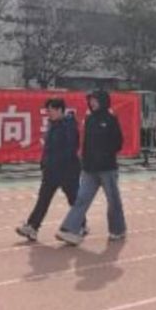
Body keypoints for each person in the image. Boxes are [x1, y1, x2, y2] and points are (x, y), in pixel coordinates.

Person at [57, 90, 126, 246]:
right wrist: (85, 160)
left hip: (107, 168)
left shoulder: (111, 119)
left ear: (103, 101)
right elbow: (86, 143)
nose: (92, 103)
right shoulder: (89, 119)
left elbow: (118, 143)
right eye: (91, 100)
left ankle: (118, 230)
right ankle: (69, 229)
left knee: (113, 201)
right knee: (81, 199)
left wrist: (104, 154)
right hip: (89, 169)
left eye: (95, 100)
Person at [15, 98, 80, 242]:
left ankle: (81, 225)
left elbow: (71, 149)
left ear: (59, 110)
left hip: (67, 171)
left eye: (50, 111)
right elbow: (48, 148)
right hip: (51, 171)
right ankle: (32, 227)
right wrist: (44, 163)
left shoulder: (69, 126)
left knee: (74, 199)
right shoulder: (53, 125)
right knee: (43, 199)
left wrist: (60, 164)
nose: (48, 114)